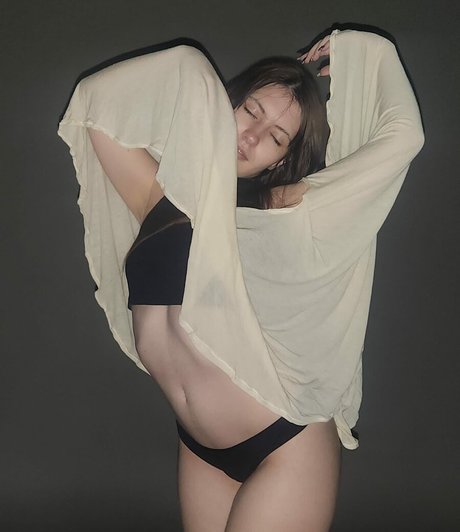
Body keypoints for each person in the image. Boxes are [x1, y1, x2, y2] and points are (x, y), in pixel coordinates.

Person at [58, 28, 424, 531]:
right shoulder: (157, 200)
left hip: (285, 445)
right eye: (250, 110)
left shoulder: (285, 216)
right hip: (201, 448)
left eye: (275, 137)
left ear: (282, 159)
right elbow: (95, 101)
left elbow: (405, 137)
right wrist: (193, 72)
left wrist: (369, 52)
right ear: (225, 103)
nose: (252, 136)